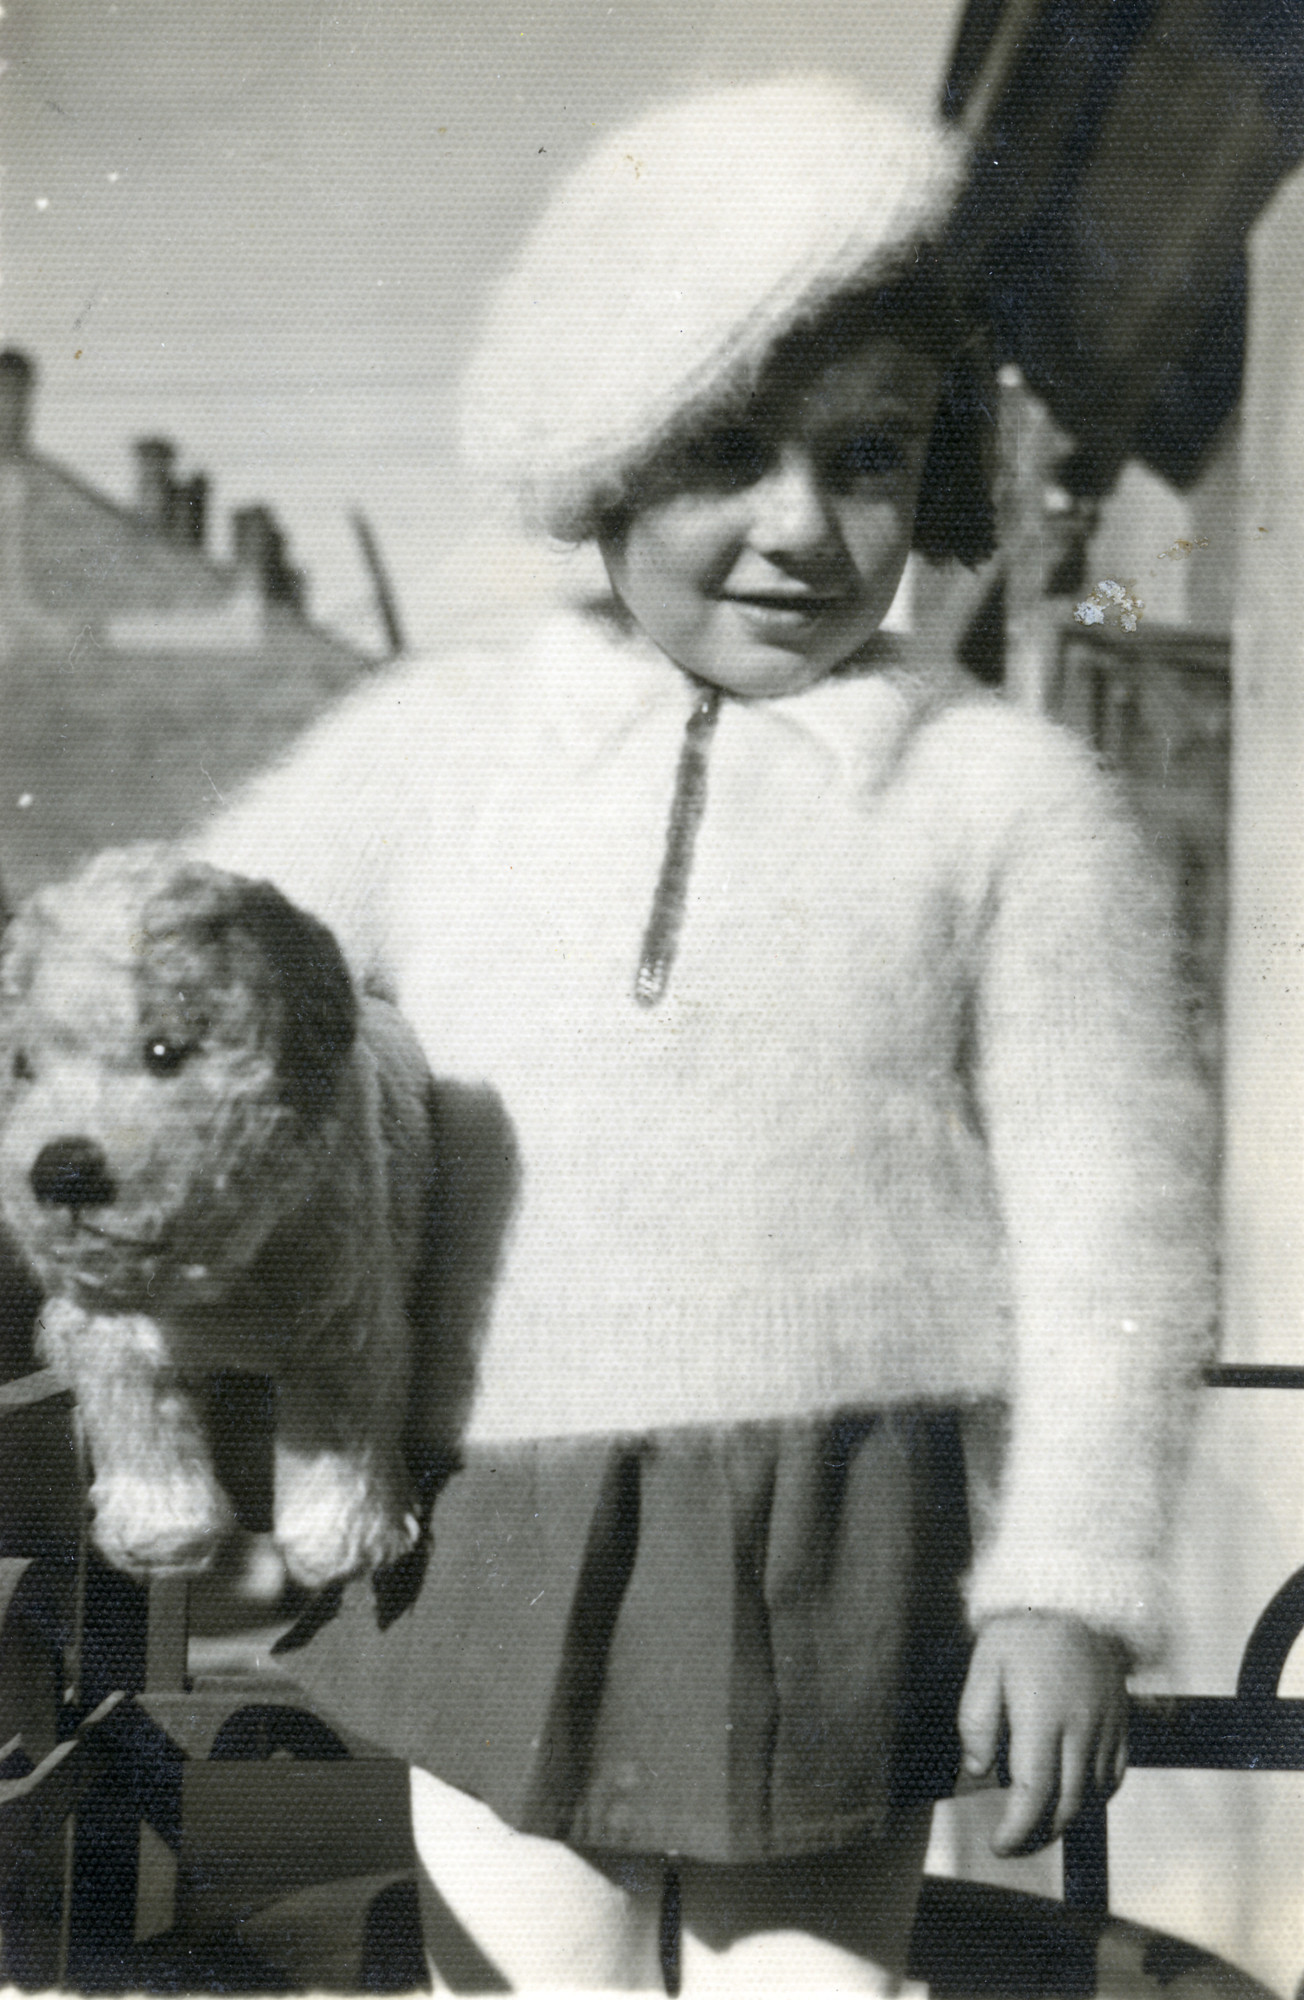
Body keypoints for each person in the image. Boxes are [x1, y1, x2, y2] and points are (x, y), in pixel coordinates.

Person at [195, 77, 1214, 1993]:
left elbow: (1119, 1222)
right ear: (602, 463)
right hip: (497, 1522)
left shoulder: (1001, 798)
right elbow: (193, 991)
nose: (797, 528)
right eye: (725, 452)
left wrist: (1071, 1583)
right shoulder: (439, 755)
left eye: (866, 457)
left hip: (845, 1549)